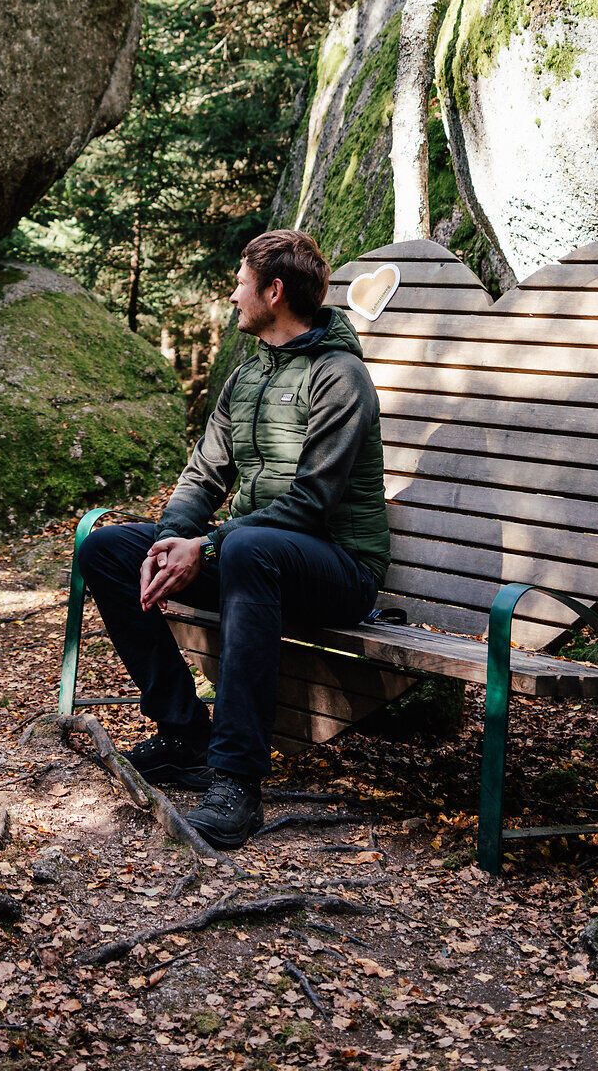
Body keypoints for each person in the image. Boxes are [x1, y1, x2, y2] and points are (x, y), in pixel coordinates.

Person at [77, 228, 390, 848]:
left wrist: (209, 546)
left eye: (241, 283)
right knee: (107, 550)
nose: (232, 295)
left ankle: (237, 780)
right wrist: (171, 540)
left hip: (340, 568)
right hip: (255, 558)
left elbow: (312, 501)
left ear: (274, 292)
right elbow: (203, 475)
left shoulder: (340, 377)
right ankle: (184, 734)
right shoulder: (246, 377)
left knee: (247, 548)